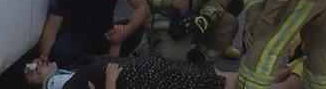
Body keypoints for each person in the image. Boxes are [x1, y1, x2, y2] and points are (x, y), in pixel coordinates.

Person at [23, 56, 302, 89]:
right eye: (35, 69)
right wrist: (110, 79)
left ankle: (271, 78)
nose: (39, 62)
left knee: (206, 75)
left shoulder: (65, 75)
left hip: (142, 71)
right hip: (138, 81)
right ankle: (287, 85)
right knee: (208, 85)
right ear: (39, 80)